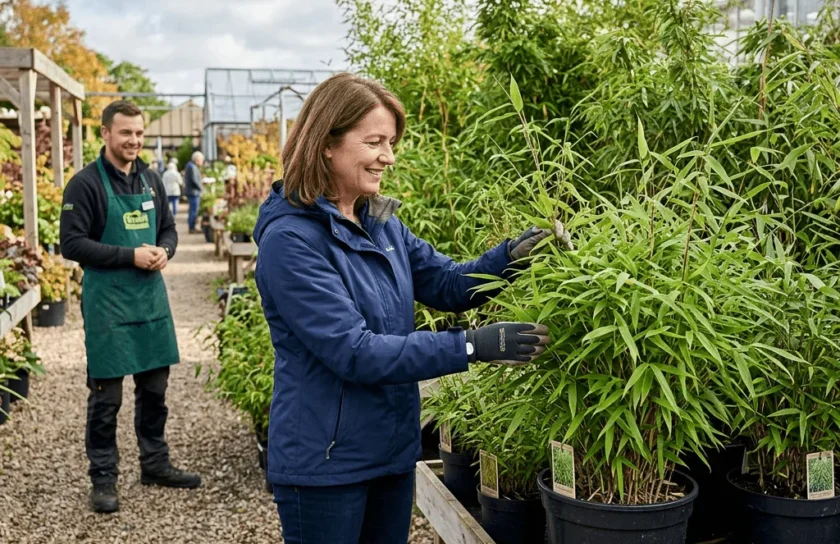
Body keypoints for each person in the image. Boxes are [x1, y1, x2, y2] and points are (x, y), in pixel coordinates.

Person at [253, 73, 573, 543]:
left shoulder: (379, 222)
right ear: (326, 144)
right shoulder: (291, 241)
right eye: (375, 142)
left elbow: (446, 283)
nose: (389, 155)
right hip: (326, 463)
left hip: (391, 450)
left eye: (392, 142)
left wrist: (511, 258)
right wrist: (471, 346)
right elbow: (356, 352)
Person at [60, 100, 201, 515]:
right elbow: (71, 243)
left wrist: (165, 251)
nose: (134, 141)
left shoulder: (151, 179)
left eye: (139, 133)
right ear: (105, 133)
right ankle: (103, 479)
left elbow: (169, 229)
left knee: (155, 391)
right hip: (108, 303)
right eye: (126, 133)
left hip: (150, 301)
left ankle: (155, 464)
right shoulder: (85, 184)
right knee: (106, 399)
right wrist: (130, 256)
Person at [183, 150, 204, 234]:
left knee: (193, 210)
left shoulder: (191, 166)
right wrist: (201, 188)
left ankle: (192, 227)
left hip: (192, 192)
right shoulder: (192, 167)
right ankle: (192, 228)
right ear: (197, 160)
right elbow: (195, 180)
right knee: (193, 211)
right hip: (193, 193)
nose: (202, 162)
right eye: (201, 160)